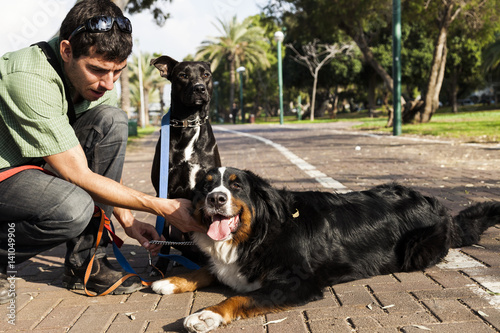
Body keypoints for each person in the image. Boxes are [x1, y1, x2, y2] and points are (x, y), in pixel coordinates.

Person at [0, 0, 204, 304]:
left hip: (32, 168)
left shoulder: (101, 81)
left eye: (117, 72)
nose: (108, 84)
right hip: (6, 172)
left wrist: (129, 221)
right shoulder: (28, 77)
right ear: (67, 51)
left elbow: (95, 164)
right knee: (72, 208)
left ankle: (87, 263)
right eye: (97, 70)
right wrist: (163, 207)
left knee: (112, 120)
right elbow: (77, 174)